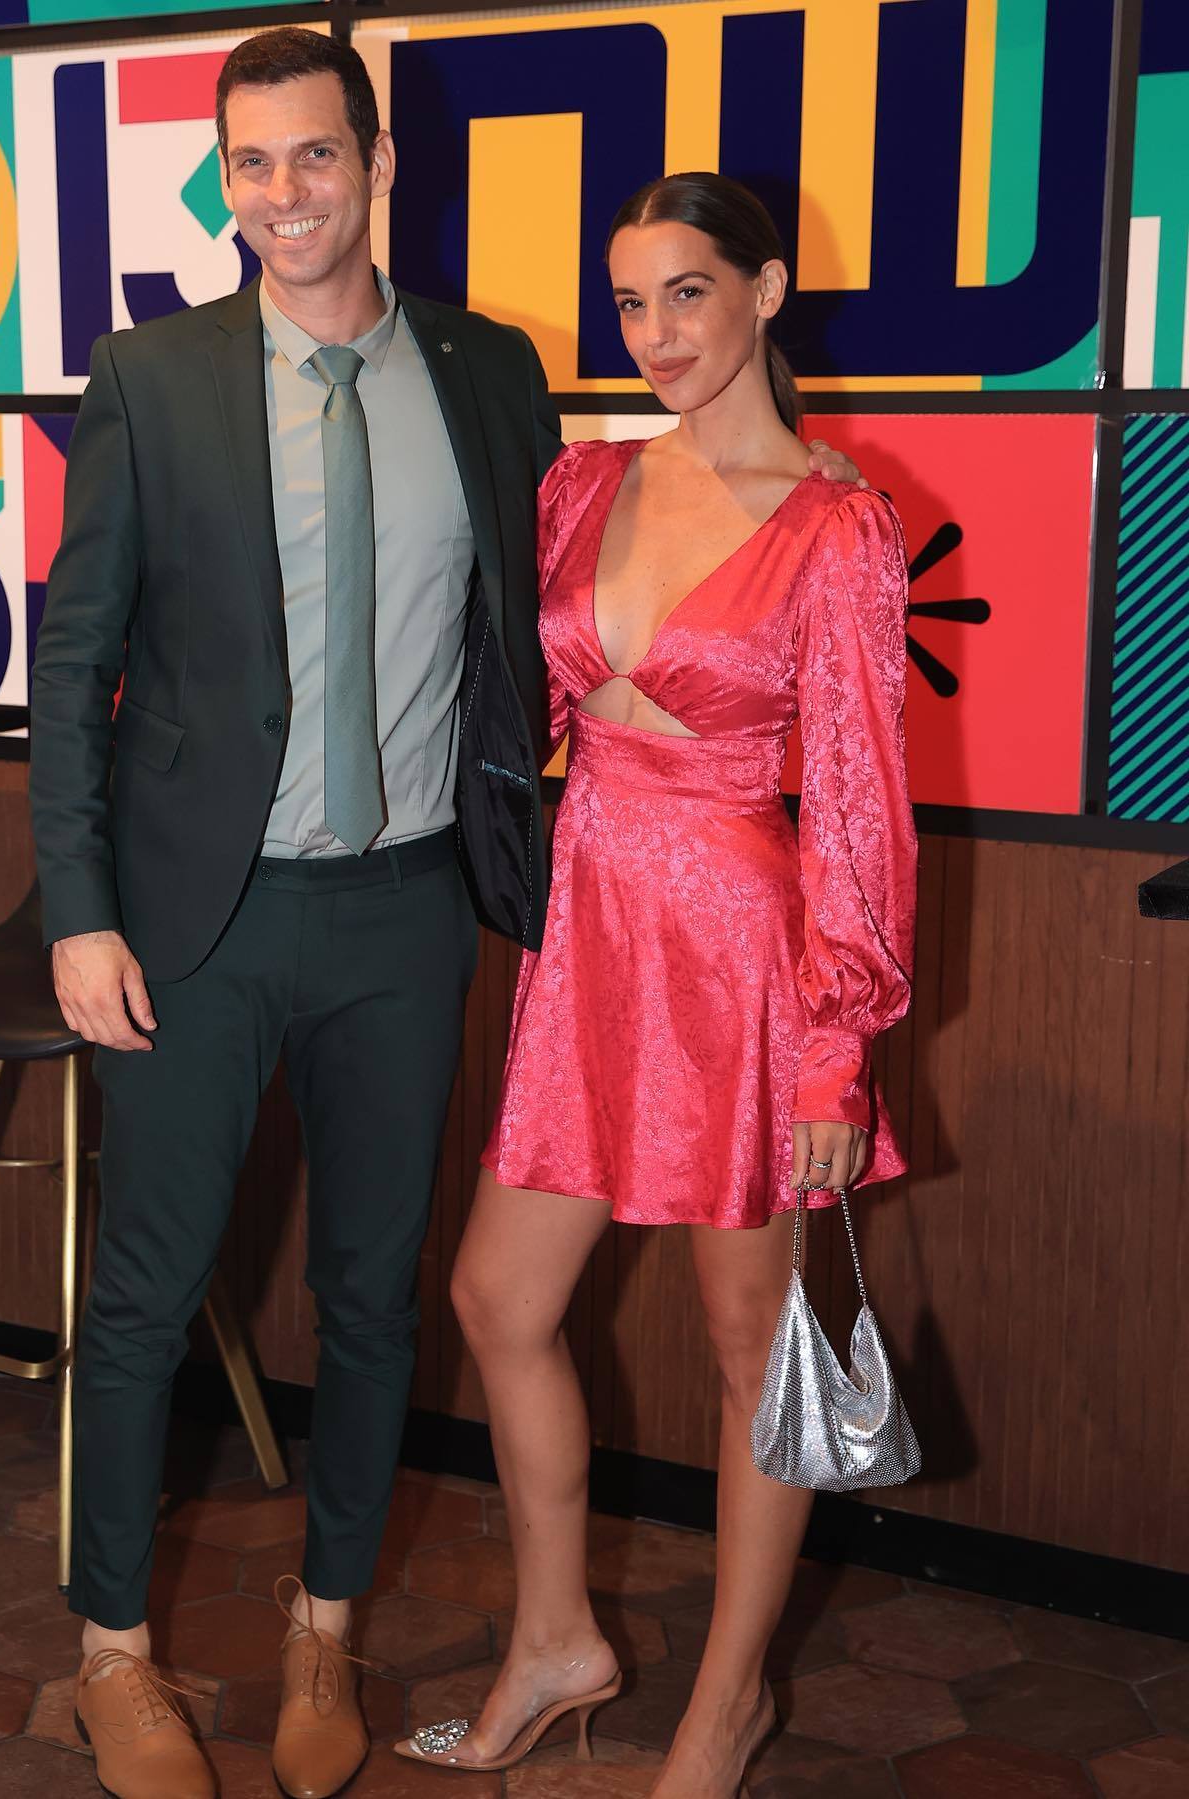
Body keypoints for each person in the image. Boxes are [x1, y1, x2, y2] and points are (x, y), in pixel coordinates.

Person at [31, 24, 865, 1791]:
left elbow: (544, 655)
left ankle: (326, 1633)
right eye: (252, 164)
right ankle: (113, 1655)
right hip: (200, 921)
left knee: (381, 1300)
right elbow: (77, 651)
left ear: (378, 163)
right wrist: (78, 909)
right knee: (149, 1295)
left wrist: (828, 1028)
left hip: (424, 917)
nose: (285, 195)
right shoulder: (156, 378)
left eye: (316, 155)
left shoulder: (494, 380)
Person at [397, 172, 916, 1798]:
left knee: (753, 1345)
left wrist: (836, 1048)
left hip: (745, 960)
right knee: (499, 1300)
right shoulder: (585, 482)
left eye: (689, 292)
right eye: (631, 303)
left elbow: (860, 799)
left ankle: (726, 1706)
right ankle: (557, 1638)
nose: (658, 333)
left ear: (766, 291)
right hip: (590, 943)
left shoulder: (838, 524)